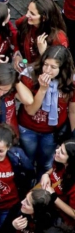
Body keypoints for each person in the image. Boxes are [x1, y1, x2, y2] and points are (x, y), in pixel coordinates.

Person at [16, 46, 75, 177]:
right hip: (28, 128)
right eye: (45, 64)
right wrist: (42, 89)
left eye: (53, 67)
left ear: (62, 68)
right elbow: (30, 110)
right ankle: (27, 185)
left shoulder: (71, 82)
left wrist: (73, 134)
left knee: (47, 163)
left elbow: (72, 111)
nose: (47, 70)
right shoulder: (29, 76)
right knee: (27, 161)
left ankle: (41, 189)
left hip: (52, 132)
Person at [13, 0, 68, 70]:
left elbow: (59, 65)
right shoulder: (24, 21)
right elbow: (17, 35)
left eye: (32, 14)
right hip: (25, 62)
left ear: (44, 18)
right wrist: (17, 54)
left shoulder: (59, 38)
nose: (27, 15)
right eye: (28, 10)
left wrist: (43, 52)